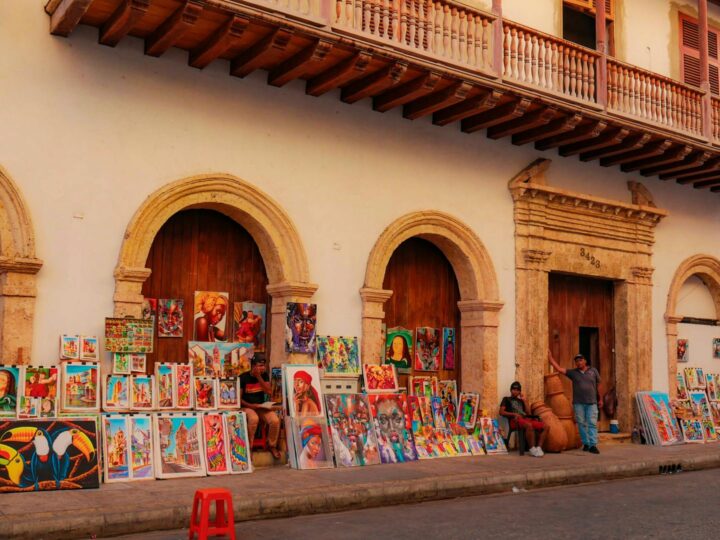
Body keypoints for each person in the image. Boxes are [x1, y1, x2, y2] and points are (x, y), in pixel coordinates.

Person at [548, 350, 604, 454]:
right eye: (577, 361)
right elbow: (559, 369)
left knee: (592, 423)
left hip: (592, 402)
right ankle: (586, 443)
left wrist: (600, 399)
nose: (578, 362)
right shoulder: (573, 373)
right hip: (578, 403)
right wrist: (551, 358)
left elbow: (599, 385)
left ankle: (593, 445)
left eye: (580, 360)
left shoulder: (593, 371)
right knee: (581, 424)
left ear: (585, 361)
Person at [240, 357, 281, 459]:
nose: (263, 368)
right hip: (247, 406)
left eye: (264, 366)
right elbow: (239, 399)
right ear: (253, 366)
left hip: (260, 406)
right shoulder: (243, 377)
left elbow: (269, 391)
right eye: (260, 366)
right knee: (254, 419)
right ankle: (248, 447)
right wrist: (251, 406)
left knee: (275, 420)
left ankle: (271, 445)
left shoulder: (264, 376)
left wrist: (259, 377)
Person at [499, 381, 548, 457]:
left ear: (519, 392)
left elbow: (528, 412)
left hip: (525, 419)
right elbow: (501, 412)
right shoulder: (506, 399)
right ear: (511, 390)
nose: (515, 391)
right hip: (514, 420)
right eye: (514, 389)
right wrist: (514, 414)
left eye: (517, 390)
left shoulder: (521, 401)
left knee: (546, 426)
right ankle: (532, 449)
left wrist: (524, 400)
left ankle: (539, 448)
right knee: (529, 425)